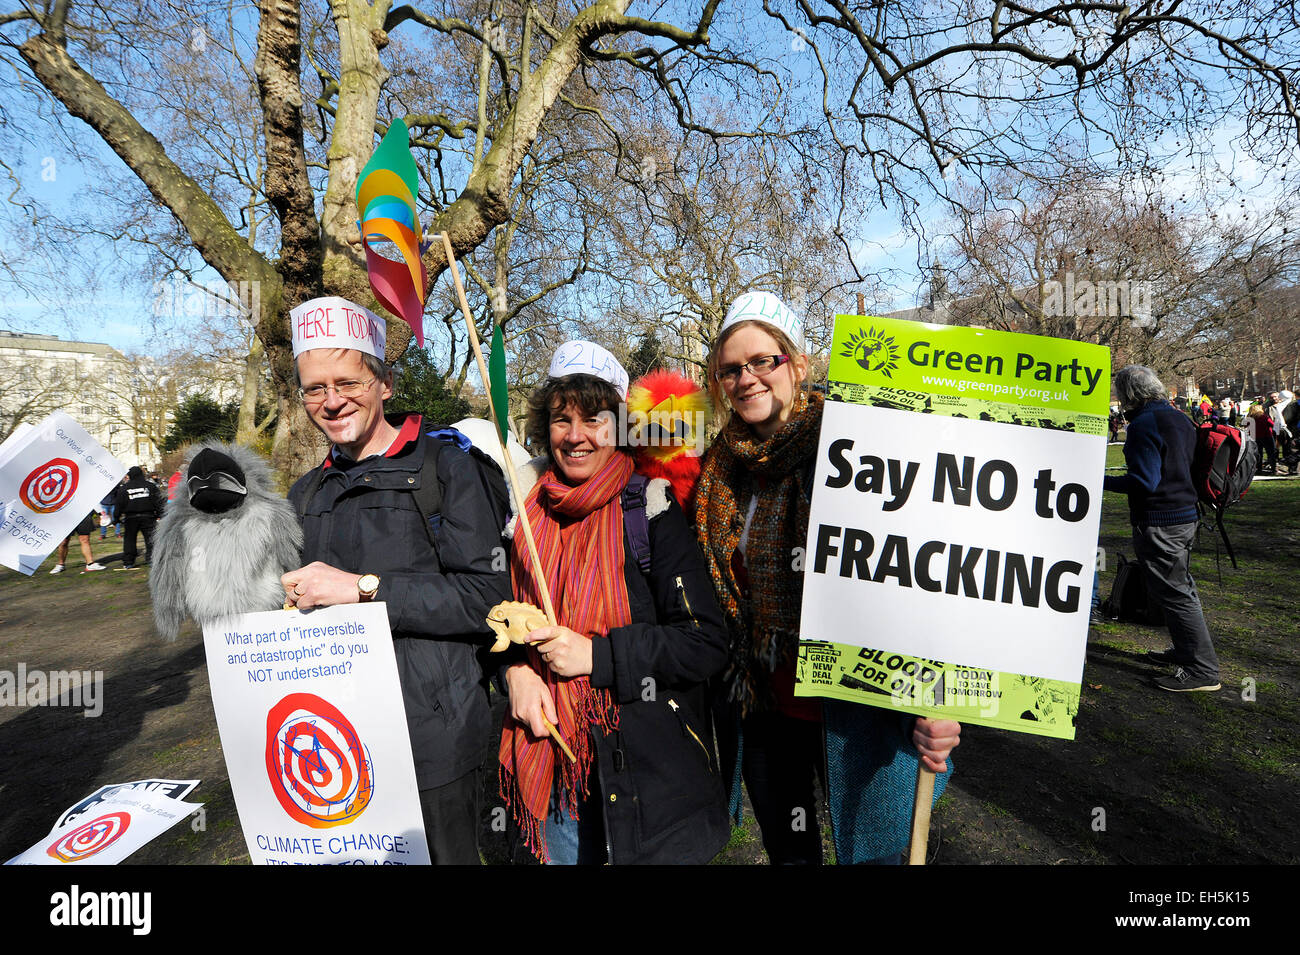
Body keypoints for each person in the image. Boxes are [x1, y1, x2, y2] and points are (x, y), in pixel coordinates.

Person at [695, 291, 961, 865]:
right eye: (731, 368)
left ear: (798, 363)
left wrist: (944, 692)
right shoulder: (718, 468)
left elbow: (928, 565)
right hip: (762, 702)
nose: (746, 378)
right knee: (790, 855)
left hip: (861, 703)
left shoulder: (863, 443)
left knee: (878, 855)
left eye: (763, 361)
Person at [280, 295, 512, 864]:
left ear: (383, 382)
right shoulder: (304, 493)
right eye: (315, 388)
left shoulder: (448, 468)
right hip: (332, 737)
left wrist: (361, 588)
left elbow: (489, 600)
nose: (331, 402)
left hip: (433, 738)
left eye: (347, 382)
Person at [498, 341, 730, 864]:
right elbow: (499, 620)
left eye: (594, 420)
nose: (575, 436)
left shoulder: (649, 510)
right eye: (561, 420)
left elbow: (705, 642)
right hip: (551, 766)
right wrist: (514, 672)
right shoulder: (523, 515)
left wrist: (598, 657)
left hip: (645, 781)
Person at [1104, 365, 1220, 692]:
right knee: (1181, 589)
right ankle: (1187, 654)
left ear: (1128, 394)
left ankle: (1202, 671)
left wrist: (1096, 479)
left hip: (1160, 522)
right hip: (1184, 516)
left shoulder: (1143, 425)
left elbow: (1144, 481)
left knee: (1176, 594)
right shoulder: (1180, 417)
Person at [114, 466, 163, 569]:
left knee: (129, 541)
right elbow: (158, 501)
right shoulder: (150, 486)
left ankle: (128, 562)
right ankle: (152, 560)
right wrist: (160, 514)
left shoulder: (124, 489)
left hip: (130, 518)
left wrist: (116, 518)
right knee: (150, 540)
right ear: (141, 474)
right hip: (148, 516)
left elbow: (119, 504)